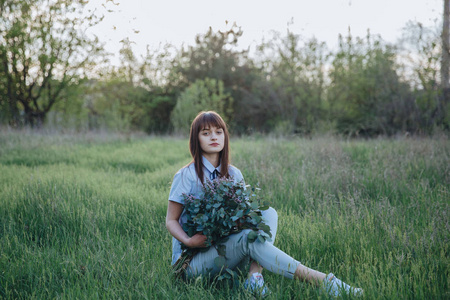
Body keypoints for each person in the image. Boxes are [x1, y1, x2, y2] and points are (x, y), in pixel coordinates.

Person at [166, 111, 363, 297]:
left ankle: (254, 276)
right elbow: (171, 220)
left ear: (225, 137)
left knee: (268, 213)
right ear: (196, 138)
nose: (214, 137)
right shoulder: (186, 175)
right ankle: (326, 283)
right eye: (206, 133)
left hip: (226, 251)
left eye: (219, 132)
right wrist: (190, 241)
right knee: (249, 239)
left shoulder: (234, 174)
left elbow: (243, 214)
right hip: (193, 263)